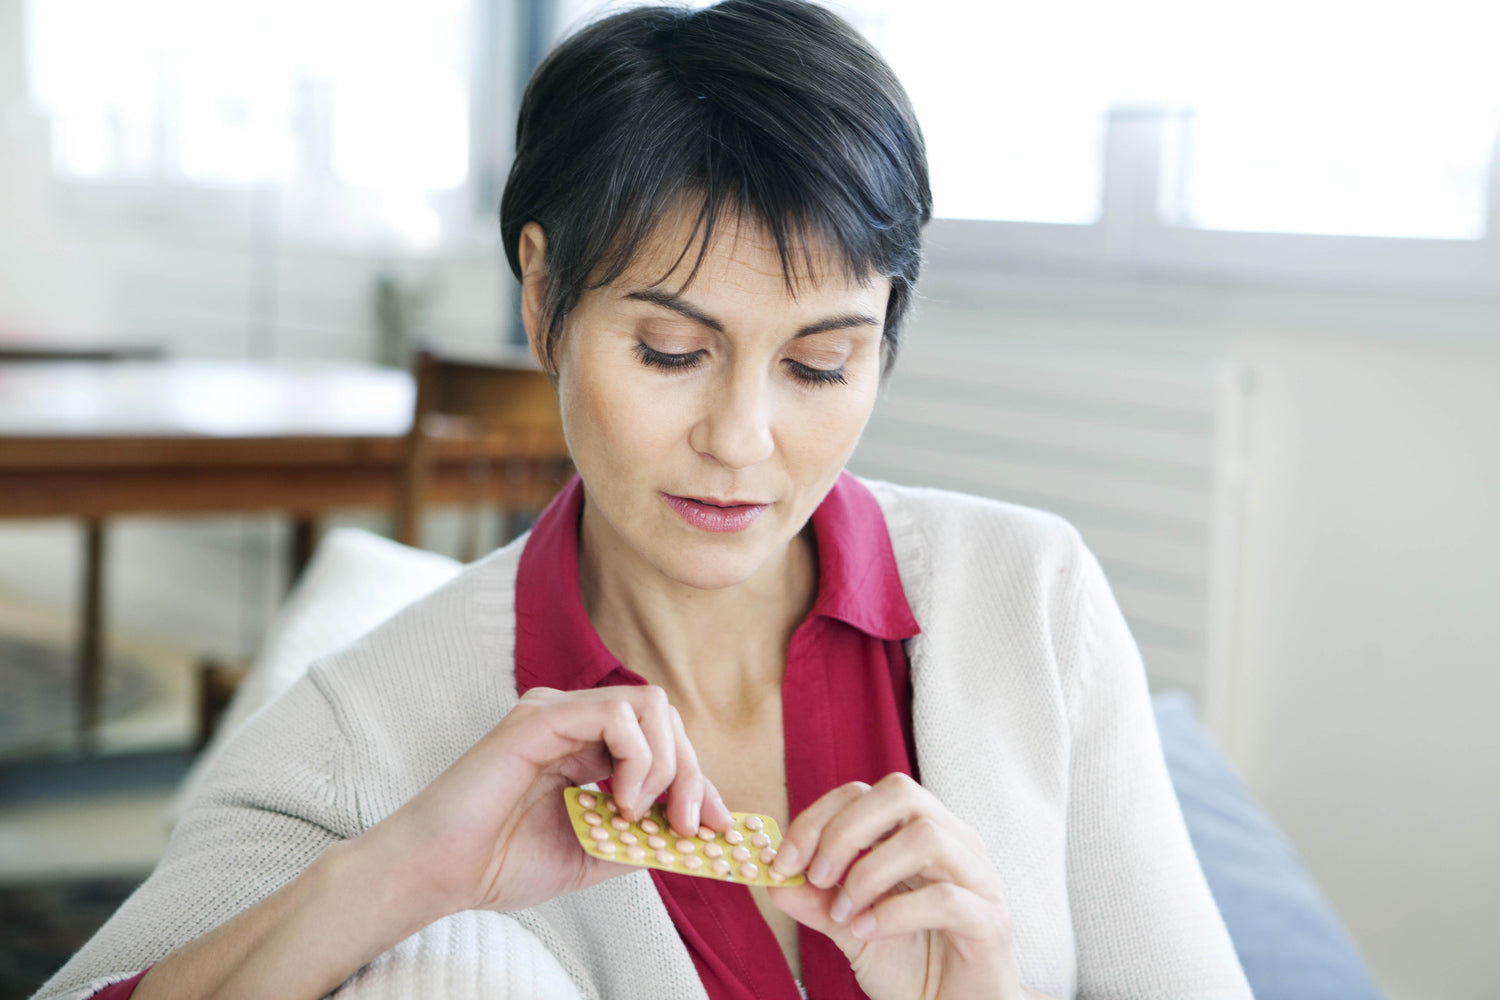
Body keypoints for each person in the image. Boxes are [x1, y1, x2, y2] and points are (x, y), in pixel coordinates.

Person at [36, 2, 1252, 998]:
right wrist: (400, 872)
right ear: (540, 295)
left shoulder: (1032, 600)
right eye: (672, 351)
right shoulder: (375, 724)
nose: (741, 438)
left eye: (821, 363)